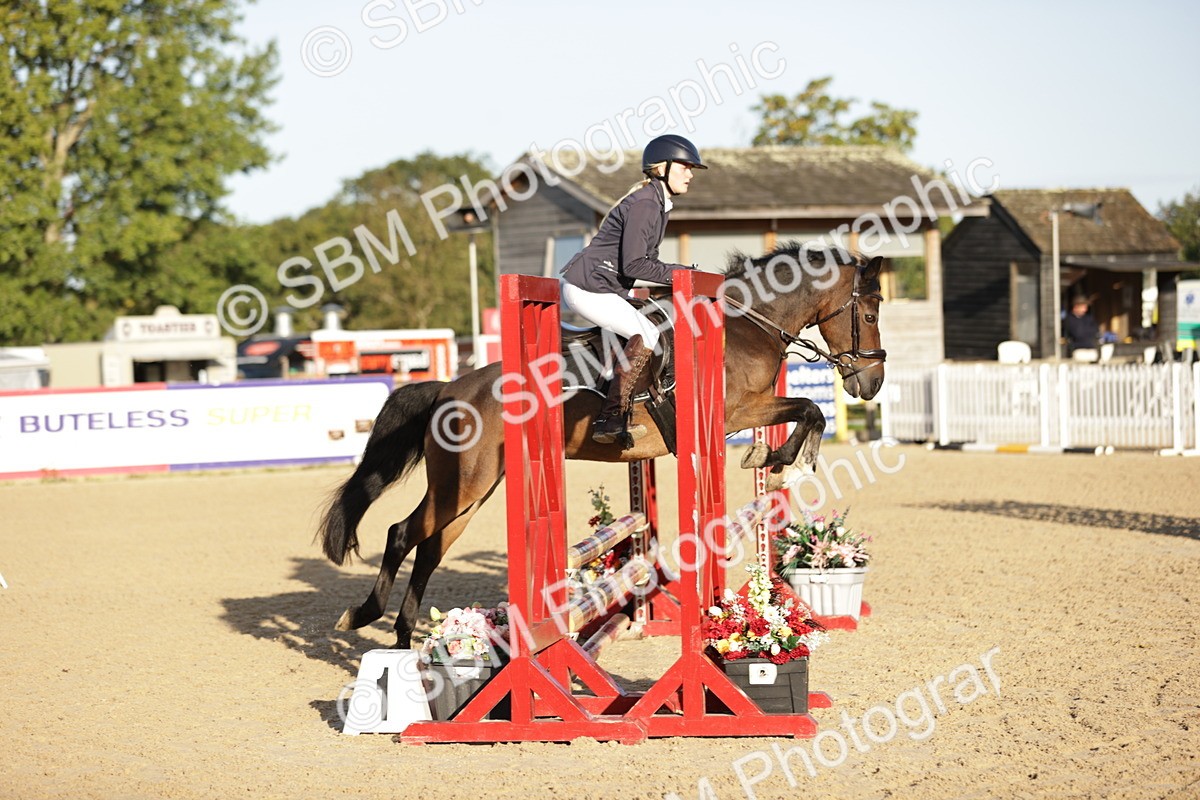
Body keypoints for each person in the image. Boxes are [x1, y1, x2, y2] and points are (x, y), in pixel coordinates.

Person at [559, 134, 707, 444]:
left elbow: (643, 266)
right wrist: (683, 273)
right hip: (589, 287)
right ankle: (611, 417)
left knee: (653, 325)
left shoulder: (657, 203)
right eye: (685, 167)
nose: (690, 174)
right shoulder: (646, 203)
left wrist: (678, 274)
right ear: (661, 168)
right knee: (649, 335)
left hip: (604, 286)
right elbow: (636, 266)